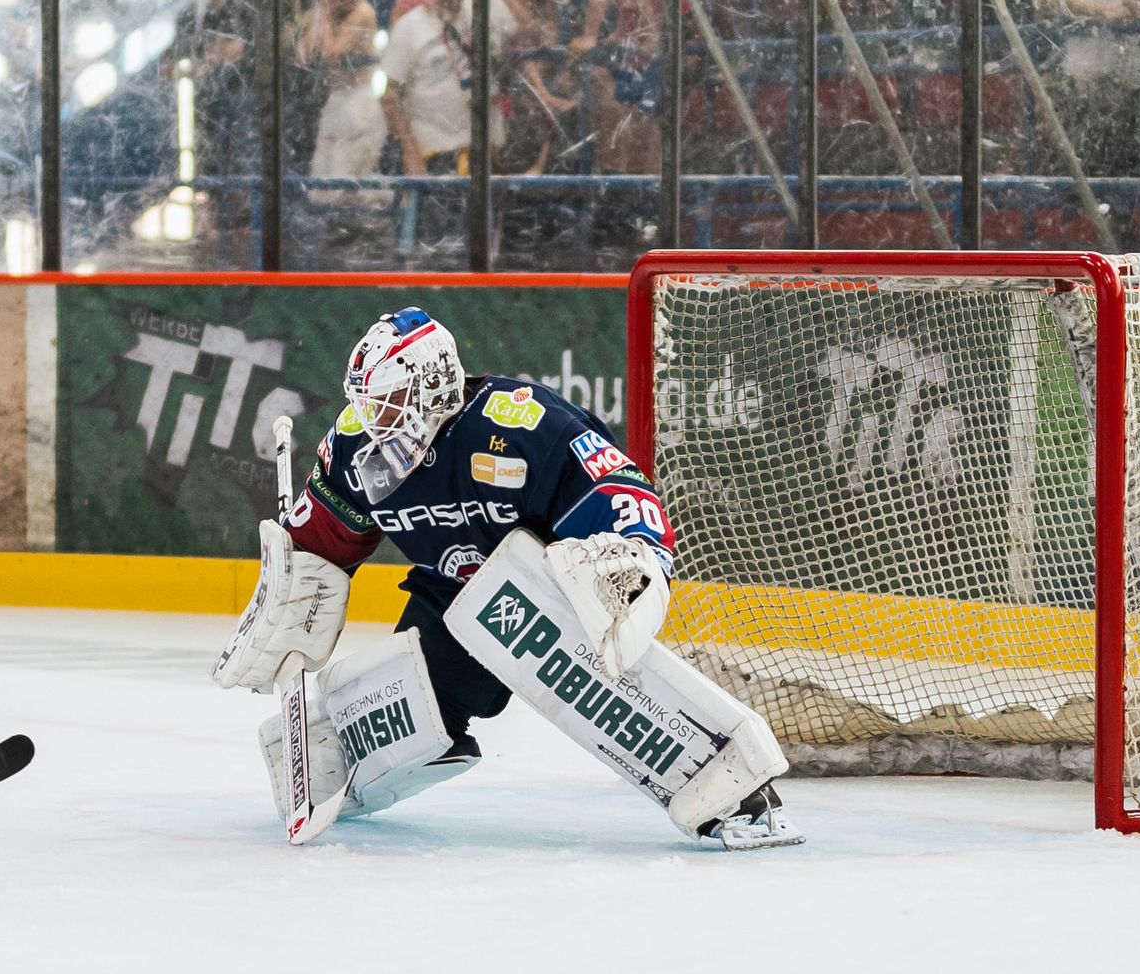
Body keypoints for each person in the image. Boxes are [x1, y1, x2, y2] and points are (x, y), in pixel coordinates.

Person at [209, 304, 792, 847]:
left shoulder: (519, 423)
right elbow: (324, 541)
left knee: (601, 675)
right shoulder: (359, 446)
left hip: (546, 593)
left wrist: (632, 556)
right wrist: (292, 596)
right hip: (451, 599)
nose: (373, 418)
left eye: (387, 401)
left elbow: (613, 488)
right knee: (413, 704)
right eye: (366, 402)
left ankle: (733, 788)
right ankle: (325, 755)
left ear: (433, 384)